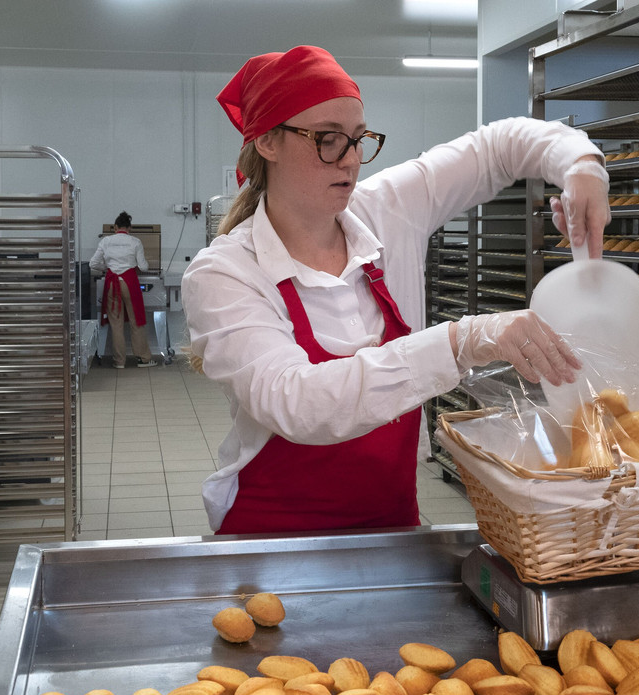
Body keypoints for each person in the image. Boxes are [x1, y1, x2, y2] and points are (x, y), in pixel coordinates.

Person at [183, 45, 611, 535]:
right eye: (327, 139)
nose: (350, 161)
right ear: (267, 143)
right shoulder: (225, 272)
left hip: (393, 524)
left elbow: (498, 147)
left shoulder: (387, 211)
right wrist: (461, 340)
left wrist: (581, 167)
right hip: (271, 533)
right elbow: (297, 403)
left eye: (359, 139)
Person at [90, 211, 158, 369]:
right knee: (137, 321)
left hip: (112, 283)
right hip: (129, 282)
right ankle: (143, 359)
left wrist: (107, 268)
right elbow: (143, 266)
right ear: (130, 227)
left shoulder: (106, 241)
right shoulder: (135, 241)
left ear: (115, 227)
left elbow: (93, 264)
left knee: (116, 324)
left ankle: (119, 362)